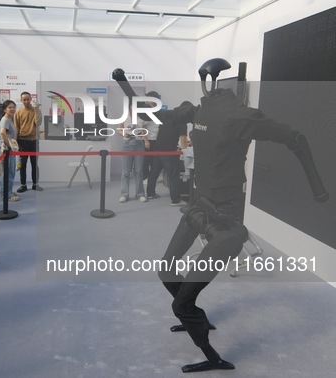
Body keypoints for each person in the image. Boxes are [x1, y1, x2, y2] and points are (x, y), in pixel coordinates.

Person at [158, 58, 320, 373]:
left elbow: (295, 137)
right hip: (198, 207)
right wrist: (125, 89)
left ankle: (212, 356)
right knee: (166, 270)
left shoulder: (239, 117)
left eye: (210, 77)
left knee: (180, 303)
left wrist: (317, 189)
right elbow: (163, 116)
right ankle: (192, 313)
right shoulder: (198, 110)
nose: (207, 83)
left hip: (227, 225)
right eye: (204, 77)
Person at [145, 92, 189, 206]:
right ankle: (176, 200)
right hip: (169, 151)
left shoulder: (167, 115)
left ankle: (150, 193)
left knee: (154, 173)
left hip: (158, 148)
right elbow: (184, 143)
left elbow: (162, 132)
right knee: (174, 175)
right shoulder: (182, 121)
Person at [118, 102, 149, 203]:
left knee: (139, 171)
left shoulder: (142, 118)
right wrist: (124, 134)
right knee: (126, 171)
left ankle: (140, 194)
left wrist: (146, 140)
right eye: (132, 108)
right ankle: (124, 194)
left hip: (139, 144)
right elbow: (119, 129)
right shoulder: (124, 117)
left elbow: (144, 131)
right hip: (127, 144)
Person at [14, 91, 43, 193]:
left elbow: (38, 122)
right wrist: (16, 142)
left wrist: (36, 110)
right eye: (24, 99)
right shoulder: (18, 112)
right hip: (22, 141)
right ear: (21, 100)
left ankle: (35, 184)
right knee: (23, 165)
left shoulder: (36, 110)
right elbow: (16, 127)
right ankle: (23, 185)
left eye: (28, 99)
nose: (26, 101)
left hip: (34, 141)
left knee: (35, 164)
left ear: (31, 99)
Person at [0, 100, 19, 202]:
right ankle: (8, 194)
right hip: (7, 150)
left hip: (9, 149)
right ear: (4, 109)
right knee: (9, 172)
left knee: (8, 172)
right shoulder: (5, 120)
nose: (12, 109)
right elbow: (3, 133)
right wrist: (9, 145)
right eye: (9, 107)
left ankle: (5, 191)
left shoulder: (10, 119)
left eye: (13, 107)